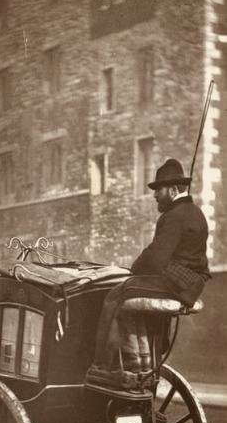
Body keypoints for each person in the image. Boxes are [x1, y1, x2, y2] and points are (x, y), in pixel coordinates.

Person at [86, 158, 210, 385]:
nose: (155, 195)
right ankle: (147, 358)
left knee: (116, 294)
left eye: (159, 190)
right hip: (191, 285)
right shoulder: (196, 213)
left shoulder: (173, 217)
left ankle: (104, 364)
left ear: (173, 190)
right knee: (135, 298)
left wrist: (133, 271)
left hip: (175, 284)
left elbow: (155, 258)